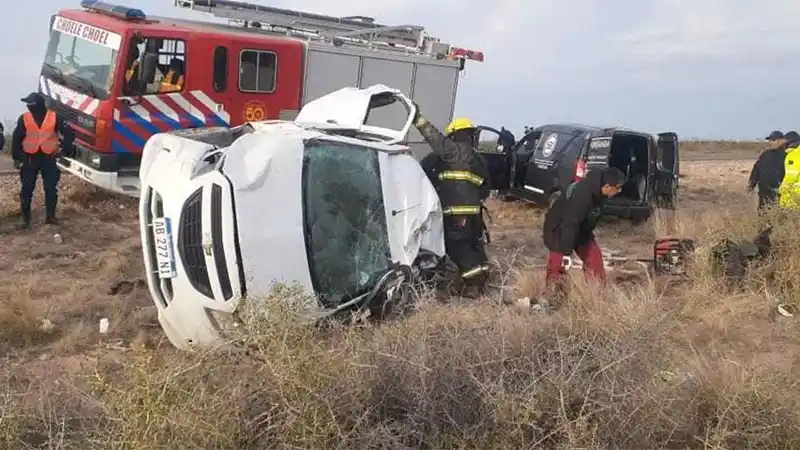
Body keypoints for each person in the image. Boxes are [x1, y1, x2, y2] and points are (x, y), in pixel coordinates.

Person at [413, 107, 492, 297]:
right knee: (474, 245)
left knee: (459, 248)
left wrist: (417, 118)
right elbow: (486, 187)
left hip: (456, 214)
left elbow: (434, 138)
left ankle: (473, 285)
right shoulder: (477, 158)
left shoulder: (454, 152)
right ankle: (481, 281)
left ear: (454, 135)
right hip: (474, 214)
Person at [541, 167, 625, 299]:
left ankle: (596, 295)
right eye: (618, 187)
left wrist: (586, 236)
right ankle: (553, 297)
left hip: (580, 230)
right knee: (558, 265)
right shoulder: (582, 195)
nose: (620, 191)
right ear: (608, 186)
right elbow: (569, 224)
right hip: (559, 230)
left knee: (594, 258)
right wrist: (566, 252)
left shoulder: (600, 193)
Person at [11, 92, 75, 228]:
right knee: (27, 189)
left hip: (49, 157)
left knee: (51, 188)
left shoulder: (55, 117)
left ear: (38, 104)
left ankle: (51, 217)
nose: (28, 105)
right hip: (29, 158)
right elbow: (17, 138)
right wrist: (17, 157)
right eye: (27, 103)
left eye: (30, 103)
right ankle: (25, 219)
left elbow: (69, 133)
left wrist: (64, 149)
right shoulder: (24, 118)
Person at [748, 130, 787, 213]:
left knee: (776, 217)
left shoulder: (786, 155)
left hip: (777, 194)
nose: (770, 142)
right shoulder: (765, 154)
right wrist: (751, 185)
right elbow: (756, 170)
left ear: (780, 141)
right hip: (763, 193)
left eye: (773, 140)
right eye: (770, 140)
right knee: (762, 216)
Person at [779, 131, 800, 209]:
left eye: (784, 142)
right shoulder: (792, 153)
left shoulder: (794, 154)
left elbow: (792, 176)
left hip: (794, 199)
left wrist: (782, 189)